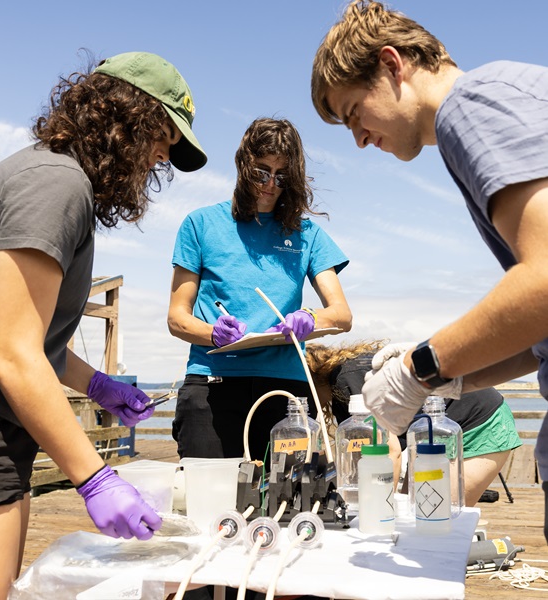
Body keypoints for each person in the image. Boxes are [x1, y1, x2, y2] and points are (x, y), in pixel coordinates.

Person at [0, 51, 206, 599]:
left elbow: (28, 333)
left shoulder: (48, 175)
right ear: (126, 117)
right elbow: (13, 354)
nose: (164, 154)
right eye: (164, 135)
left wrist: (96, 386)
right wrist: (94, 477)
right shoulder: (56, 184)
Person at [311, 0, 548, 537]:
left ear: (393, 65)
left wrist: (419, 366)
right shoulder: (505, 97)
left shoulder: (471, 107)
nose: (359, 139)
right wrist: (446, 379)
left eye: (354, 114)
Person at [168, 117, 353, 464]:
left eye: (282, 176)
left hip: (285, 391)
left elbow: (342, 315)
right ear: (243, 164)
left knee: (287, 503)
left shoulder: (307, 235)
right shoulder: (200, 224)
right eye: (261, 171)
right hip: (213, 385)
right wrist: (213, 333)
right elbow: (177, 319)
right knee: (208, 502)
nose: (270, 184)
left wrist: (308, 318)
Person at [306, 341, 522, 506]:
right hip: (431, 431)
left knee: (439, 513)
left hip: (477, 423)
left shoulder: (347, 380)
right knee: (415, 512)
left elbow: (390, 453)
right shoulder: (342, 384)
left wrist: (380, 510)